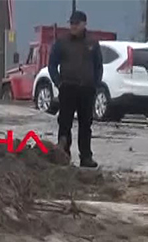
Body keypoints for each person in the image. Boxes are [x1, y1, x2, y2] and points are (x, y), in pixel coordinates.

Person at [47, 10, 103, 168]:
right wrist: (59, 82)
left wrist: (95, 84)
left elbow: (98, 66)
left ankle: (86, 156)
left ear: (84, 24)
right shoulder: (62, 42)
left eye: (76, 23)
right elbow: (52, 65)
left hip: (87, 89)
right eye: (71, 23)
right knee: (65, 123)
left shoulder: (92, 43)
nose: (73, 26)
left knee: (86, 124)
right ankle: (63, 155)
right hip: (68, 88)